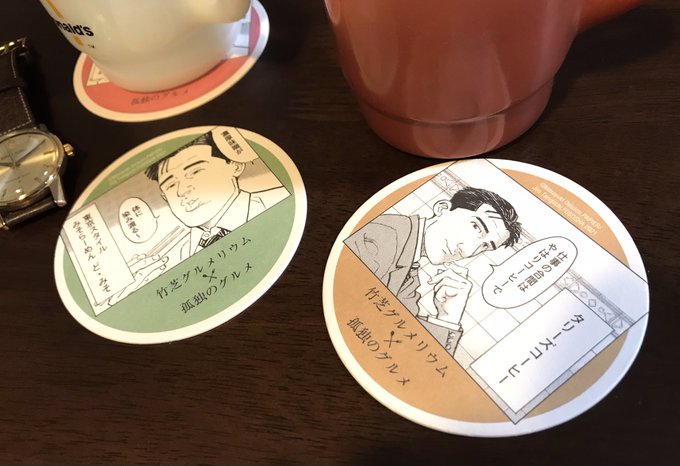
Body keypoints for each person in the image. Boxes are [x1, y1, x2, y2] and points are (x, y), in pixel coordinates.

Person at [345, 187, 521, 356]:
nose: (468, 251)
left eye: (484, 246)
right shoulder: (381, 237)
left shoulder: (409, 269)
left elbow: (404, 348)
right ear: (442, 209)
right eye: (476, 227)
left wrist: (448, 316)